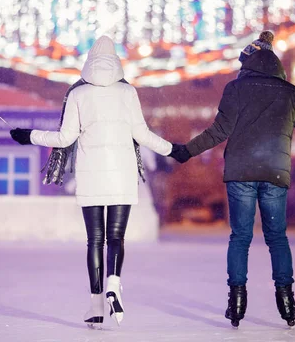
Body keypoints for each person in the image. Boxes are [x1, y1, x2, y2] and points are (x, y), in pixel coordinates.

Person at [170, 31, 295, 327]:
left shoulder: (235, 90)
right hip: (275, 172)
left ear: (248, 63)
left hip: (241, 173)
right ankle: (287, 303)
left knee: (240, 238)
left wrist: (186, 151)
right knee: (277, 238)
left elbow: (218, 131)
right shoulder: (292, 94)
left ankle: (236, 303)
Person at [10, 36, 186, 327]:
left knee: (95, 241)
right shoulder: (127, 92)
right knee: (116, 238)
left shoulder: (79, 94)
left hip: (91, 176)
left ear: (89, 62)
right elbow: (141, 134)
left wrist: (28, 135)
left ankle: (95, 304)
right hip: (122, 175)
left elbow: (65, 138)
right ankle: (113, 286)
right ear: (116, 62)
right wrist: (173, 150)